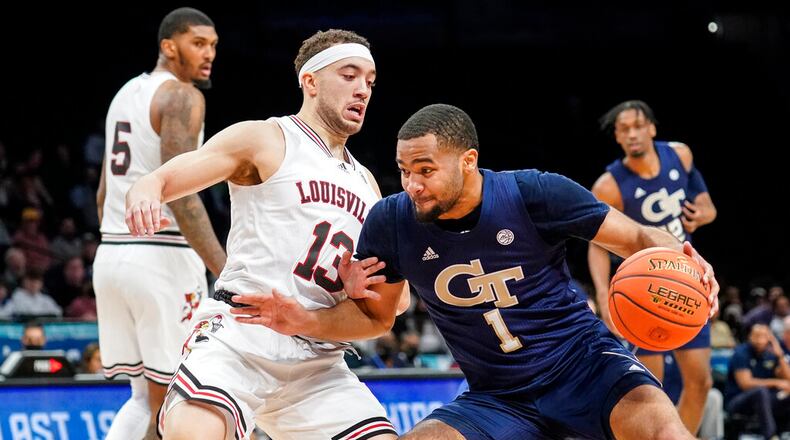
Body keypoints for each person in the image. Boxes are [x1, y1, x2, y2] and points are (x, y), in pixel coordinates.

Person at [230, 103, 721, 439]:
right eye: (404, 170)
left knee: (664, 429)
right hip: (498, 396)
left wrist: (682, 256)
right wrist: (303, 319)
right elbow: (377, 318)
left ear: (468, 161)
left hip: (587, 368)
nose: (412, 184)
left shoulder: (535, 193)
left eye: (425, 169)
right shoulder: (392, 221)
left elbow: (637, 238)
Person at [126, 29, 404, 440]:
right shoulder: (266, 139)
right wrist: (145, 190)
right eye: (349, 75)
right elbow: (162, 180)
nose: (362, 89)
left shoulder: (368, 185)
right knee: (192, 431)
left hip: (317, 359)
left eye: (370, 80)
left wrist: (362, 290)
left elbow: (393, 309)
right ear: (310, 81)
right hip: (242, 333)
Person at [93, 8, 226, 440]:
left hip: (112, 254)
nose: (208, 54)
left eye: (213, 46)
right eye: (198, 44)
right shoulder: (184, 96)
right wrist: (226, 271)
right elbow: (182, 194)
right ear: (169, 47)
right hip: (161, 257)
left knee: (142, 400)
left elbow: (103, 193)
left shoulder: (125, 93)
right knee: (177, 401)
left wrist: (122, 248)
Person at [587, 99, 717, 435]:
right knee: (650, 391)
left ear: (652, 128)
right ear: (617, 137)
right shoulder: (609, 185)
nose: (632, 134)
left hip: (687, 280)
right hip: (643, 289)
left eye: (637, 126)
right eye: (623, 129)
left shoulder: (681, 155)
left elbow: (704, 202)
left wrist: (706, 211)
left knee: (700, 382)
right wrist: (603, 295)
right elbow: (596, 245)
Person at [725, 324, 790, 440]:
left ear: (770, 338)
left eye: (764, 336)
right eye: (757, 336)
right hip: (738, 400)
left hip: (765, 402)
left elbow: (788, 379)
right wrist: (775, 383)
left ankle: (784, 433)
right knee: (760, 391)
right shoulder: (741, 353)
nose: (760, 340)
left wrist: (780, 355)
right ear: (750, 336)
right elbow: (745, 384)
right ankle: (771, 436)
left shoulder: (770, 354)